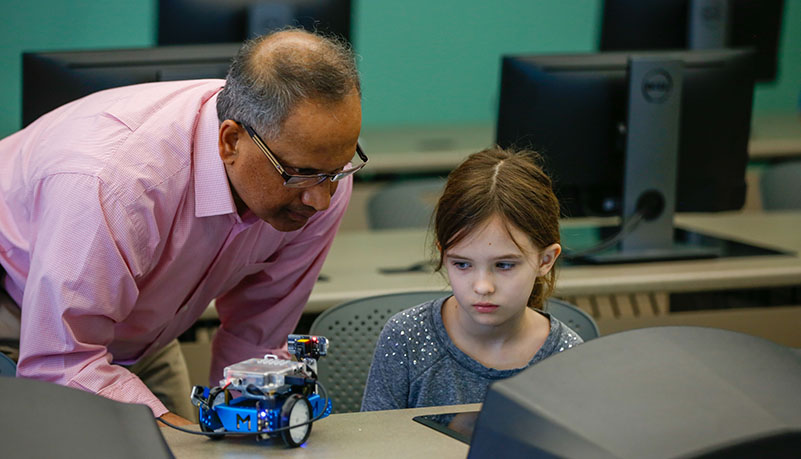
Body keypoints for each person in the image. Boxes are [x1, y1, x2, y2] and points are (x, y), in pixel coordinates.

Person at [0, 28, 364, 426]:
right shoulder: (115, 184)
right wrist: (189, 437)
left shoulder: (318, 180)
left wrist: (240, 430)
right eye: (301, 174)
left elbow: (256, 341)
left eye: (337, 170)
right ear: (230, 142)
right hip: (23, 322)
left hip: (144, 333)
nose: (322, 200)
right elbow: (61, 363)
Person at [361, 147, 582, 412]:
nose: (482, 287)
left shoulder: (568, 355)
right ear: (443, 256)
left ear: (545, 261)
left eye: (504, 265)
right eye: (462, 264)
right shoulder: (407, 339)